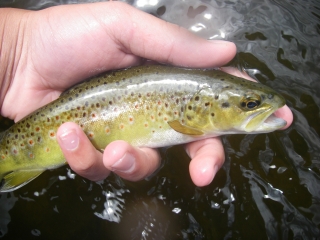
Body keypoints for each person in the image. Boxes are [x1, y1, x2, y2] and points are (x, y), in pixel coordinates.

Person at [0, 2, 293, 187]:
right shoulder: (191, 121)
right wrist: (15, 48)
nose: (258, 107)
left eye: (250, 104)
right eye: (250, 104)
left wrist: (17, 47)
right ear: (201, 109)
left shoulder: (197, 112)